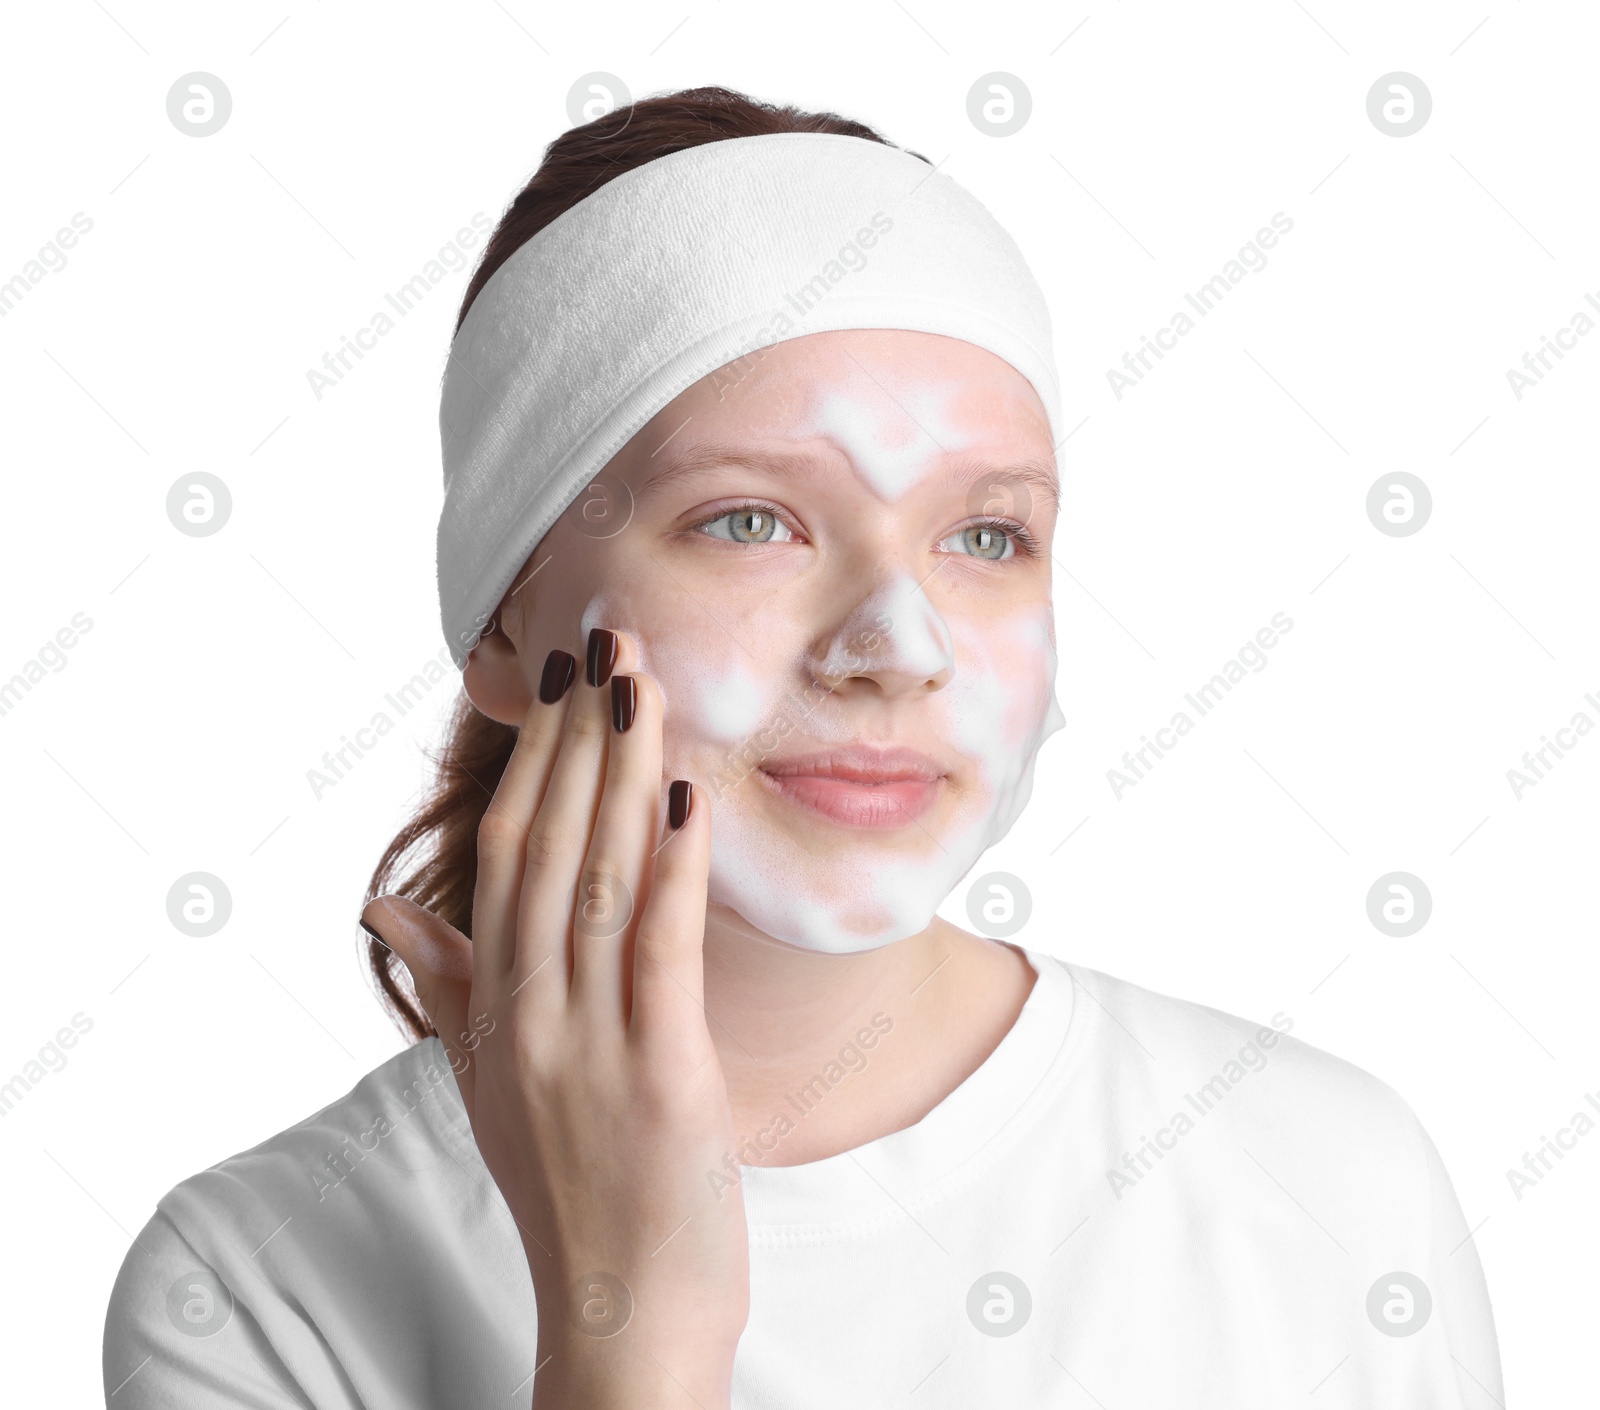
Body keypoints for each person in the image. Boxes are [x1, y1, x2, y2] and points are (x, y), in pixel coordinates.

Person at [102, 86, 1503, 1409]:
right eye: (750, 519)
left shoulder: (1330, 1185)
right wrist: (631, 1321)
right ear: (502, 622)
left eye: (986, 534)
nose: (898, 643)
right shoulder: (257, 1287)